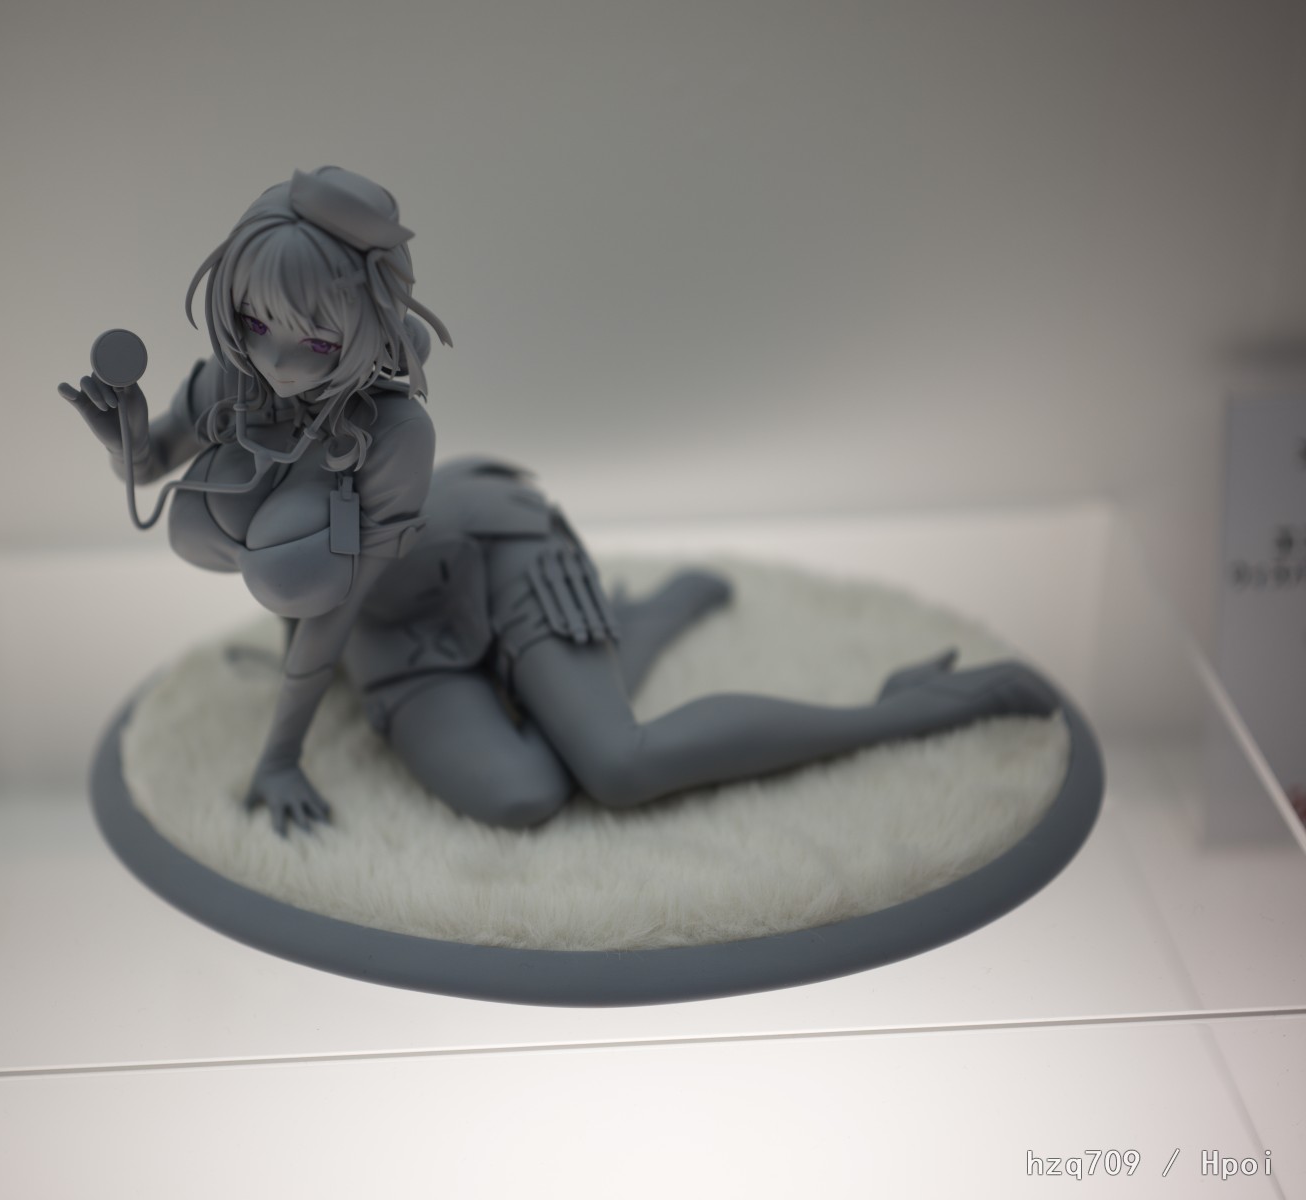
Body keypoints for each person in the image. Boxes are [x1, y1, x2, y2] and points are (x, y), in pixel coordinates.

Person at [61, 166, 1057, 837]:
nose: (278, 357)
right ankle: (619, 636)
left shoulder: (396, 434)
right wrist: (122, 440)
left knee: (618, 769)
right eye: (254, 322)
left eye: (314, 338)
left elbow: (328, 611)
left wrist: (280, 757)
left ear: (366, 322)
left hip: (496, 555)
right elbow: (153, 471)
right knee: (527, 796)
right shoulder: (223, 387)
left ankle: (902, 709)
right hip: (396, 633)